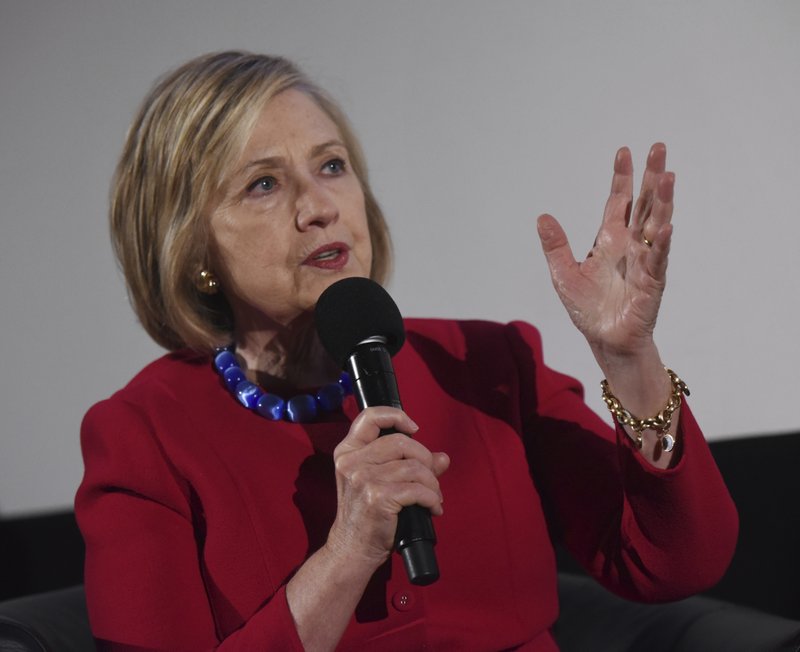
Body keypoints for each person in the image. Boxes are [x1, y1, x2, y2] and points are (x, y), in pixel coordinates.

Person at [75, 51, 738, 652]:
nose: (319, 207)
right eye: (263, 185)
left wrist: (629, 359)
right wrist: (347, 553)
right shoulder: (144, 436)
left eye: (331, 166)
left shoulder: (484, 364)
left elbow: (678, 563)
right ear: (193, 252)